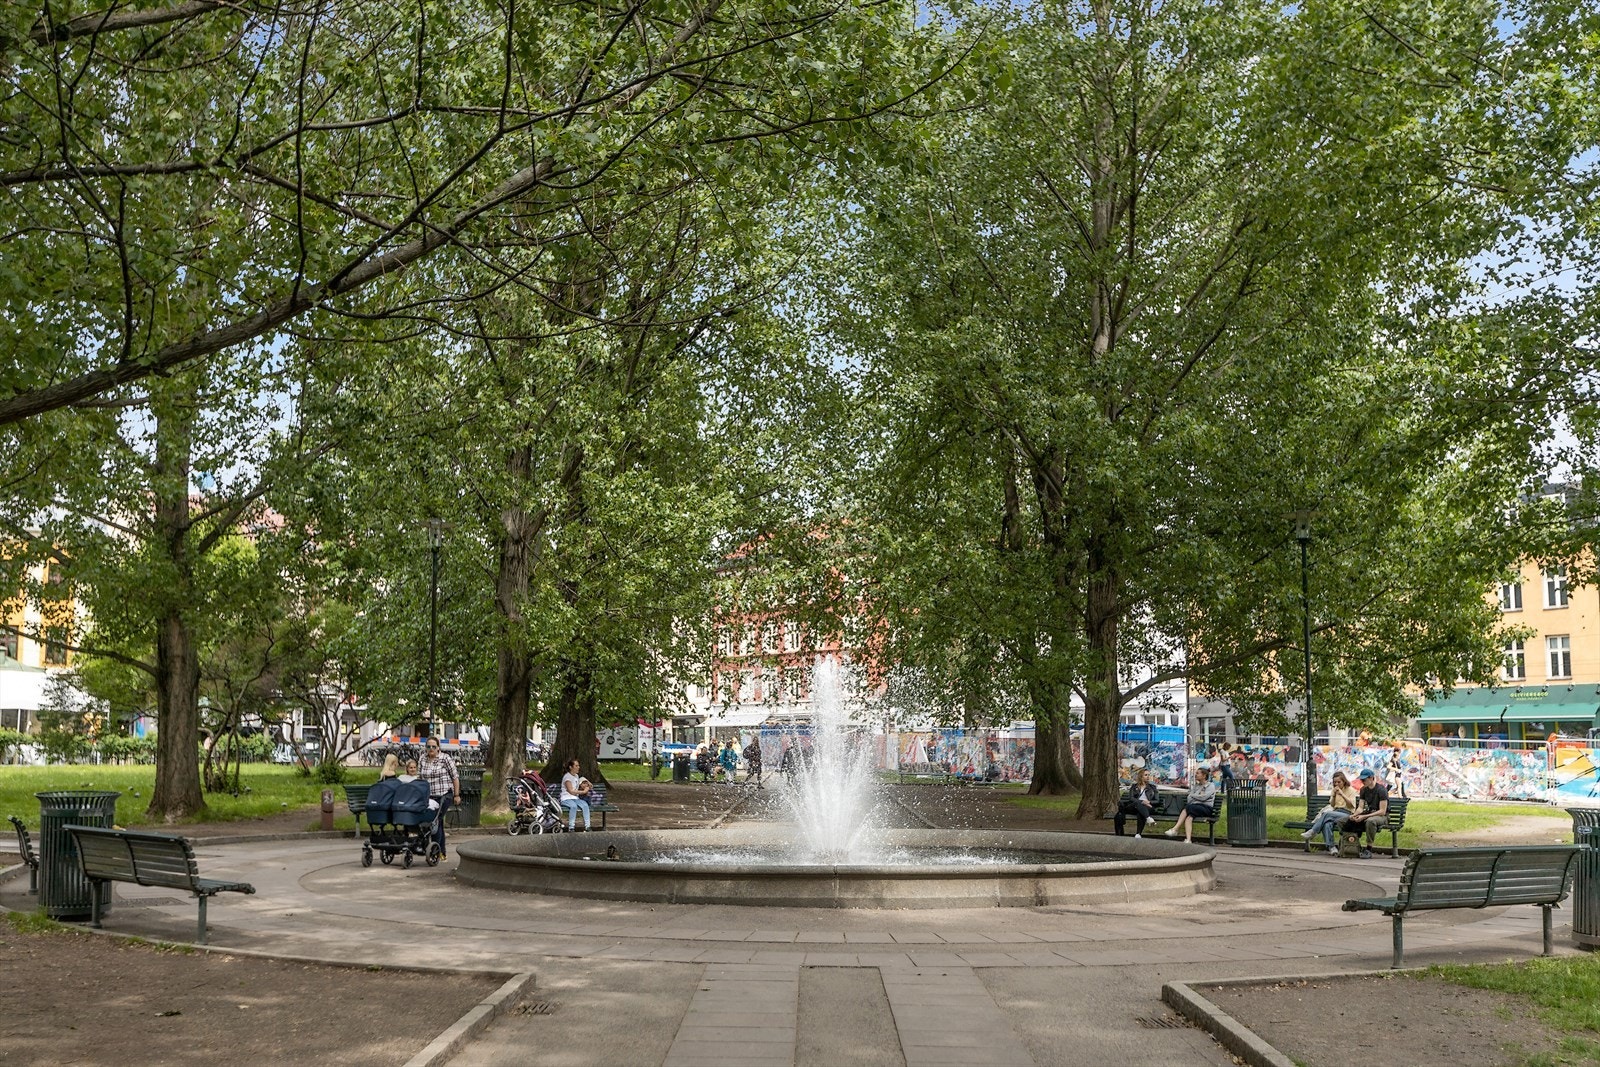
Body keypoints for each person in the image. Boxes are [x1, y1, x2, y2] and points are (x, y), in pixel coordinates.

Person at [418, 738, 461, 859]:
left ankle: (437, 850)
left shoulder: (445, 758)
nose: (431, 749)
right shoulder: (422, 759)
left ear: (438, 748)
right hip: (428, 796)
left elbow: (455, 777)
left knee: (436, 820)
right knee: (435, 822)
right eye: (428, 747)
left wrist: (456, 795)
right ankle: (439, 850)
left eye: (433, 747)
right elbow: (419, 777)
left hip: (443, 794)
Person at [1299, 771, 1358, 854]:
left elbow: (1351, 805)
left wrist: (1342, 794)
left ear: (1344, 781)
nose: (1336, 784)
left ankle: (1313, 831)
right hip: (1335, 812)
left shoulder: (1350, 790)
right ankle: (1332, 847)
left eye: (1339, 782)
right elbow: (1333, 805)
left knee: (1326, 814)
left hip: (1347, 814)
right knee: (1327, 824)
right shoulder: (1334, 790)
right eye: (1335, 782)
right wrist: (1333, 796)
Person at [1345, 768, 1390, 858]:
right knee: (1345, 820)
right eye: (1361, 780)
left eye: (1364, 779)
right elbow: (1360, 807)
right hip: (1369, 813)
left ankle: (1369, 849)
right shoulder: (1363, 790)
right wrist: (1354, 815)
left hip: (1382, 816)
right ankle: (1352, 845)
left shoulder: (1381, 790)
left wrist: (1364, 816)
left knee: (1370, 821)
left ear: (1371, 778)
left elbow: (1382, 811)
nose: (1362, 782)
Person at [1164, 768, 1217, 843]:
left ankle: (1175, 829)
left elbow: (1204, 797)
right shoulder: (1196, 786)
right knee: (1189, 817)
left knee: (1188, 807)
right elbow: (1189, 798)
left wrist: (1194, 796)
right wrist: (1198, 796)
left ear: (1204, 775)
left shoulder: (1210, 785)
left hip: (1206, 808)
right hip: (1195, 807)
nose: (1195, 775)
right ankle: (1188, 839)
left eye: (1198, 773)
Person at [1114, 769, 1160, 838]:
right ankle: (1148, 818)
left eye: (1149, 775)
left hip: (1148, 807)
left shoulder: (1153, 787)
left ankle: (1138, 834)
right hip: (1134, 807)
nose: (1148, 776)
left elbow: (1157, 800)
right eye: (1146, 775)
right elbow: (1131, 798)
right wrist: (1142, 802)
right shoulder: (1134, 786)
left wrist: (1149, 802)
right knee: (1138, 803)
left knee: (1140, 812)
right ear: (1141, 776)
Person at [560, 758, 593, 831]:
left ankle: (588, 826)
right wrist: (583, 792)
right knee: (573, 806)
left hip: (575, 798)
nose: (578, 767)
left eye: (578, 765)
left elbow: (583, 785)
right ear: (570, 767)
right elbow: (571, 791)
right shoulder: (567, 777)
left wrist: (587, 783)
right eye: (576, 766)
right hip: (566, 798)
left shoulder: (576, 776)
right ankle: (571, 827)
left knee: (585, 805)